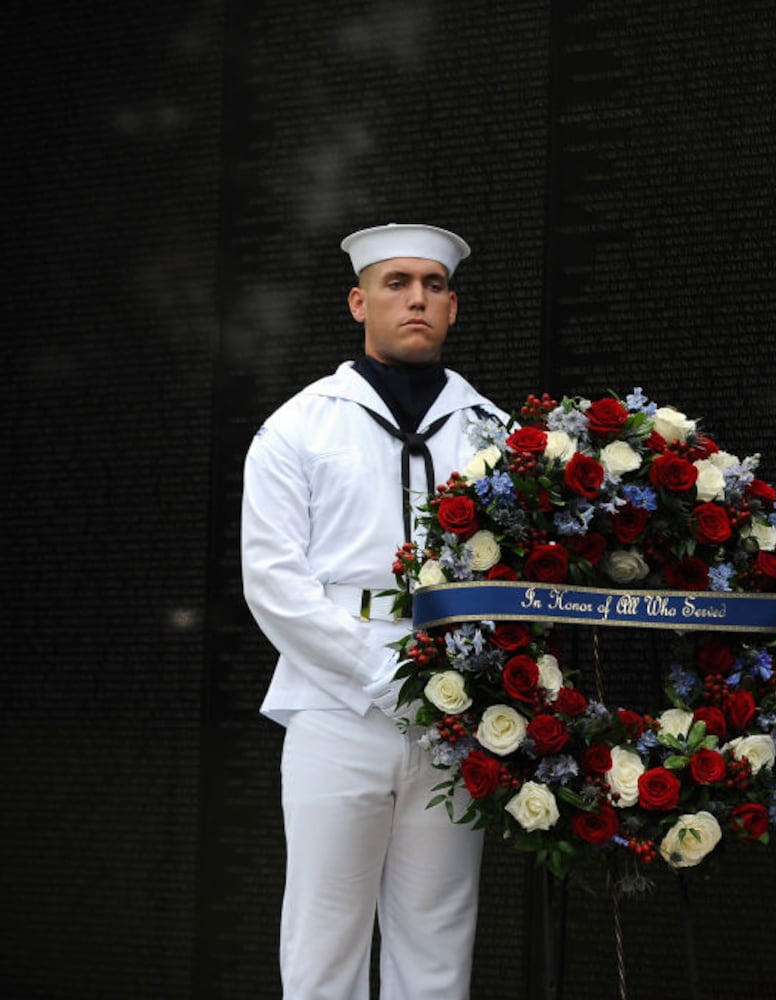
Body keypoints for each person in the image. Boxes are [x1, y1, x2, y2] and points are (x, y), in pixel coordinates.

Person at [241, 223, 505, 999]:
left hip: (461, 710)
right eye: (396, 283)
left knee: (438, 939)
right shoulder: (301, 424)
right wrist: (388, 676)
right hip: (337, 700)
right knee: (325, 938)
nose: (415, 298)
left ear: (452, 306)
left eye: (432, 285)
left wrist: (471, 685)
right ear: (360, 301)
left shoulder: (494, 431)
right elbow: (273, 580)